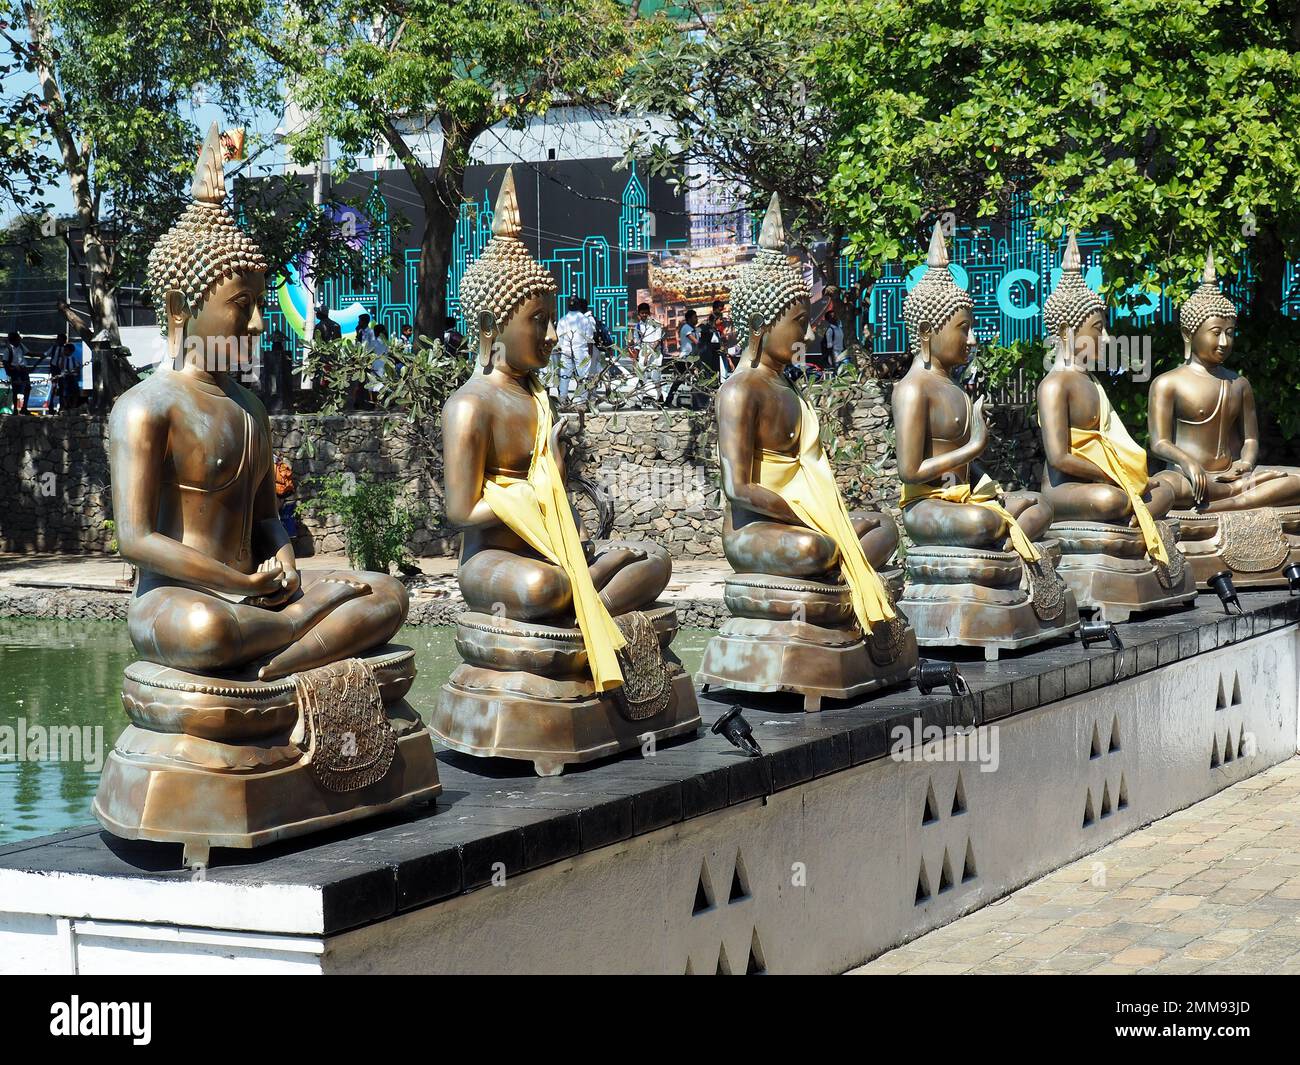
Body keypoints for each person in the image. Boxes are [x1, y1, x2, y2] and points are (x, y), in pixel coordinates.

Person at [555, 295, 596, 406]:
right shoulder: (585, 320)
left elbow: (559, 339)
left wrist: (562, 351)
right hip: (581, 351)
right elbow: (589, 339)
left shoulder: (562, 320)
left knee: (564, 376)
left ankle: (563, 399)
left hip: (566, 351)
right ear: (579, 305)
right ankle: (581, 401)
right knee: (583, 376)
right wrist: (590, 355)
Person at [631, 302, 665, 403]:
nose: (644, 315)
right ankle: (639, 400)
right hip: (643, 353)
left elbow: (657, 341)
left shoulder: (656, 324)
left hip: (655, 354)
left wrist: (648, 355)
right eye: (642, 313)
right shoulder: (637, 327)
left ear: (649, 313)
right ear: (639, 313)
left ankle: (659, 397)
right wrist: (634, 358)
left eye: (646, 313)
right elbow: (637, 344)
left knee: (656, 377)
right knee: (641, 377)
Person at [4, 332, 31, 414]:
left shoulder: (21, 346)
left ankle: (24, 408)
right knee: (15, 390)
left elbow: (28, 353)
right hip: (15, 371)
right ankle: (15, 409)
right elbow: (5, 362)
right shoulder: (8, 350)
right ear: (14, 340)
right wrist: (10, 369)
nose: (20, 340)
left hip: (23, 370)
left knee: (27, 388)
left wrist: (41, 355)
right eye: (18, 338)